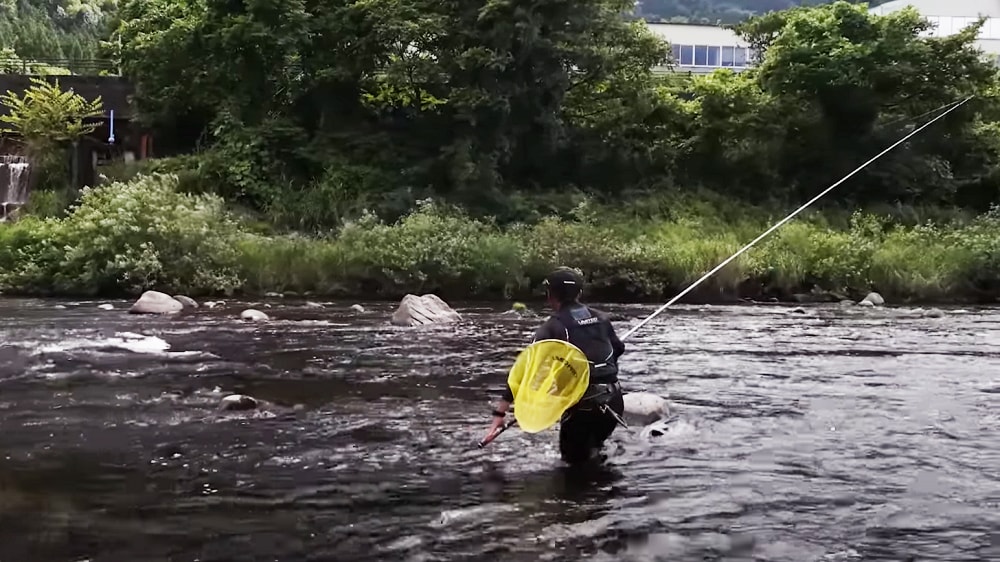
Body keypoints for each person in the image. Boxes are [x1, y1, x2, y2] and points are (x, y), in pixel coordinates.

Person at [483, 267, 627, 465]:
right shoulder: (602, 318)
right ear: (580, 293)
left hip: (582, 409)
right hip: (614, 403)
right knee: (594, 455)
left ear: (549, 296)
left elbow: (522, 374)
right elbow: (618, 349)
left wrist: (499, 415)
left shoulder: (550, 328)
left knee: (572, 468)